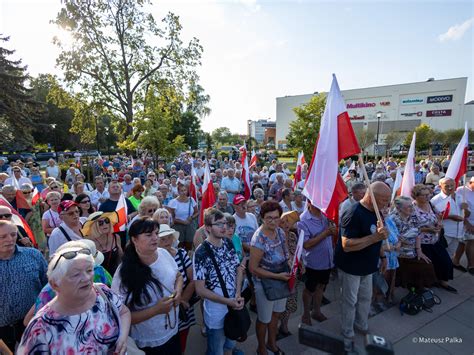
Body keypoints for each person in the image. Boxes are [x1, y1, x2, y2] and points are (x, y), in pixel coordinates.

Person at [18, 240, 131, 354]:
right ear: (55, 284)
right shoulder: (40, 328)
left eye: (89, 270)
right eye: (76, 274)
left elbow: (123, 312)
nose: (86, 278)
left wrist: (122, 338)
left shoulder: (102, 292)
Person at [112, 218, 183, 354]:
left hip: (173, 331)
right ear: (134, 239)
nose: (155, 238)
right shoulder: (123, 274)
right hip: (147, 344)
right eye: (149, 235)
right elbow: (120, 315)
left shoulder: (163, 254)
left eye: (156, 233)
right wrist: (156, 310)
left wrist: (178, 292)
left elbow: (178, 276)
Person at [334, 182, 390, 343]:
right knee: (350, 301)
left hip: (369, 265)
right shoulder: (353, 213)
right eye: (384, 200)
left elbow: (378, 236)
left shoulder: (377, 211)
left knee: (366, 297)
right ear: (371, 197)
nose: (386, 204)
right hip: (351, 266)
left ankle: (361, 323)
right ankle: (347, 329)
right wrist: (375, 238)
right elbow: (347, 245)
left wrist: (382, 257)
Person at [193, 208, 245, 355]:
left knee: (230, 345)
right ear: (208, 228)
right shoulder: (201, 252)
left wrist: (238, 294)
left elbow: (238, 270)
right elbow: (200, 289)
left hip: (234, 305)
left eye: (225, 223)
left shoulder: (228, 243)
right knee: (216, 350)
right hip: (216, 313)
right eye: (219, 224)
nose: (224, 227)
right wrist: (228, 301)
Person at [249, 201, 290, 355]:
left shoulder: (279, 231)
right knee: (264, 319)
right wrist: (276, 276)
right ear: (262, 218)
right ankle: (261, 348)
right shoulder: (258, 239)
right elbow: (253, 268)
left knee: (276, 315)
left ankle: (272, 344)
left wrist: (292, 262)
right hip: (265, 282)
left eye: (276, 217)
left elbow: (285, 251)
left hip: (281, 278)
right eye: (269, 218)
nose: (273, 221)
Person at [0, 220, 47, 352]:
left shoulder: (33, 255)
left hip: (31, 323)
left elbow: (48, 286)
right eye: (2, 237)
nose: (10, 239)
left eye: (13, 234)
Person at [157, 224, 196, 353]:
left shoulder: (181, 254)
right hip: (164, 309)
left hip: (183, 306)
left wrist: (183, 299)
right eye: (162, 239)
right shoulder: (154, 261)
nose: (167, 241)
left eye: (169, 237)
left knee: (182, 338)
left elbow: (192, 279)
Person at [412, 184, 457, 293]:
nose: (428, 197)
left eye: (428, 194)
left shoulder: (430, 204)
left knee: (445, 261)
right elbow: (410, 228)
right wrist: (427, 230)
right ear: (416, 196)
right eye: (424, 195)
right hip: (421, 243)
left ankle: (443, 282)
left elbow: (438, 215)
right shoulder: (412, 208)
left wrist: (439, 224)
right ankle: (425, 286)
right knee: (426, 266)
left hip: (435, 240)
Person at [298, 202, 337, 325]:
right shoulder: (303, 220)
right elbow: (306, 244)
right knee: (309, 289)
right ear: (309, 202)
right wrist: (325, 233)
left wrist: (333, 230)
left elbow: (332, 234)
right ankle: (305, 315)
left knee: (321, 287)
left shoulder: (325, 216)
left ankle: (316, 311)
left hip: (327, 260)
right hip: (313, 263)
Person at [388, 196, 436, 292]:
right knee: (420, 267)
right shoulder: (392, 219)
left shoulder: (413, 215)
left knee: (427, 264)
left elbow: (418, 233)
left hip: (412, 249)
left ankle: (416, 289)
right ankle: (410, 288)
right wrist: (405, 241)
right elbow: (395, 239)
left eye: (411, 206)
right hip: (399, 250)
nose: (412, 208)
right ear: (398, 208)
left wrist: (419, 250)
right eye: (408, 207)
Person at [278, 211, 300, 339]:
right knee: (280, 303)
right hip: (280, 275)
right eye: (282, 221)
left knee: (291, 301)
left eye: (288, 221)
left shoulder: (292, 235)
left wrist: (301, 263)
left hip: (293, 275)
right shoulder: (276, 237)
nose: (286, 224)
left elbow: (297, 252)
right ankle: (275, 328)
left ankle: (284, 325)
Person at [431, 178, 465, 259]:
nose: (450, 188)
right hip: (445, 233)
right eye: (447, 186)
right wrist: (451, 217)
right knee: (441, 256)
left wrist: (465, 208)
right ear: (440, 186)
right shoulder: (435, 200)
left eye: (452, 185)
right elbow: (432, 217)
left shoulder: (460, 196)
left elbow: (464, 214)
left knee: (450, 255)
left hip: (458, 232)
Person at [82, 211, 123, 275]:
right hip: (98, 279)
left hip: (116, 276)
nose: (105, 224)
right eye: (100, 223)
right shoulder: (88, 243)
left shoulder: (116, 237)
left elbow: (120, 260)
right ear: (94, 226)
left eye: (107, 221)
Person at [168, 183, 198, 251]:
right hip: (178, 227)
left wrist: (192, 217)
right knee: (179, 246)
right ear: (178, 192)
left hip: (190, 226)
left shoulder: (191, 200)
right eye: (181, 190)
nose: (184, 192)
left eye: (185, 190)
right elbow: (172, 218)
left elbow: (197, 212)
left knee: (189, 245)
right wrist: (182, 222)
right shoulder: (173, 202)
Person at [456, 177, 474, 274]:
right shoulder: (461, 190)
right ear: (470, 182)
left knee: (462, 243)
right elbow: (459, 208)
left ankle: (455, 261)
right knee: (470, 242)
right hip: (467, 222)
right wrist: (467, 223)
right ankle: (471, 265)